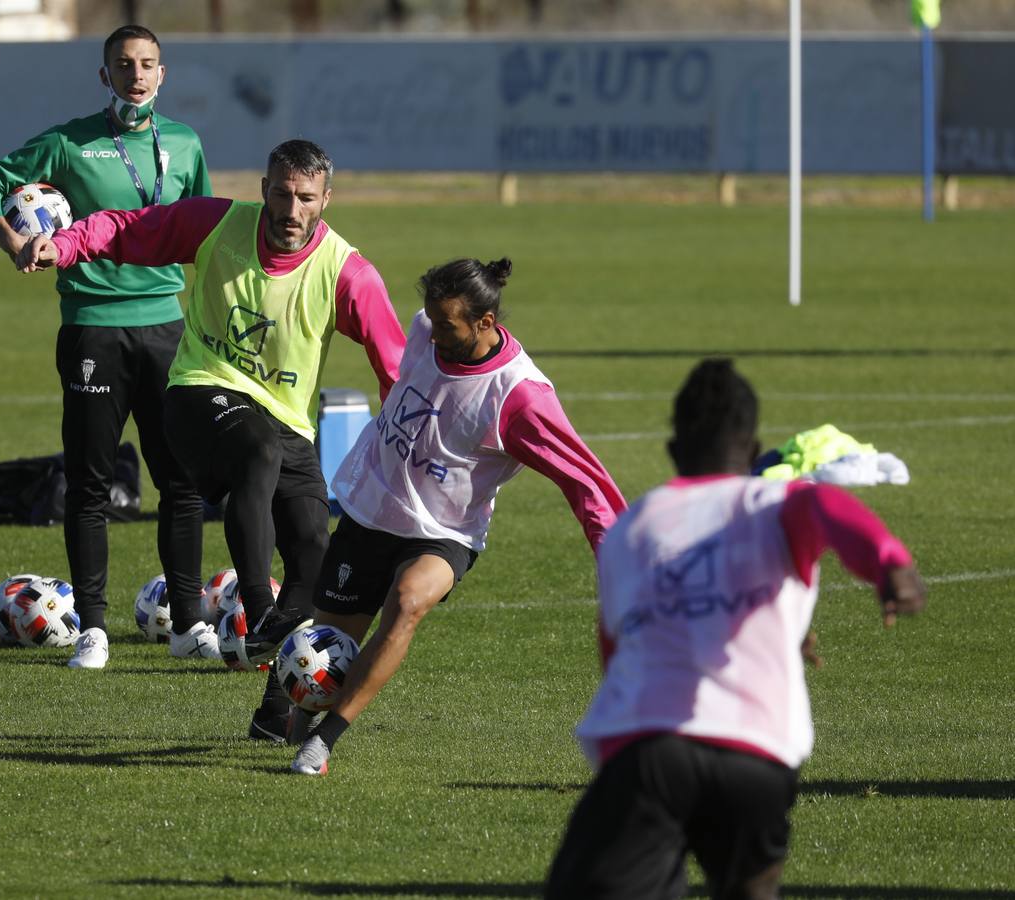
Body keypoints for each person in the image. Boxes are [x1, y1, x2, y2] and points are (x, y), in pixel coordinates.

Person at [19, 139, 407, 739]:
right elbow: (129, 228)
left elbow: (396, 373)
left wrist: (406, 453)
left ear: (326, 200)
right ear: (263, 189)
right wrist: (64, 244)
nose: (291, 208)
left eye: (306, 198)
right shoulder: (217, 225)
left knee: (313, 553)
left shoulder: (348, 274)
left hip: (287, 420)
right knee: (258, 450)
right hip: (199, 392)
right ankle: (257, 609)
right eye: (281, 193)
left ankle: (275, 715)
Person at [544, 358, 926, 899]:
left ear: (673, 449)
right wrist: (890, 564)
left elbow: (618, 650)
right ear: (753, 450)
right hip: (758, 753)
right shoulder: (777, 501)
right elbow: (829, 507)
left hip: (651, 749)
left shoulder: (633, 526)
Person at [286, 258, 628, 776]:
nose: (433, 332)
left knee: (407, 603)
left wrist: (622, 560)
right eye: (431, 318)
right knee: (324, 651)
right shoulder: (429, 328)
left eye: (448, 325)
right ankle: (288, 720)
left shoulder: (520, 398)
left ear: (486, 323)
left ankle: (325, 742)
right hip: (372, 510)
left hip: (443, 534)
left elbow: (586, 482)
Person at [0, 25, 213, 668]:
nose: (137, 74)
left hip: (168, 331)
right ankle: (94, 628)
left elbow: (203, 231)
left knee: (182, 483)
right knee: (90, 484)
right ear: (105, 75)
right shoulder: (69, 143)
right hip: (93, 329)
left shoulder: (184, 144)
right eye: (124, 65)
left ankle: (189, 624)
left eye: (148, 64)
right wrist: (15, 242)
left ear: (164, 73)